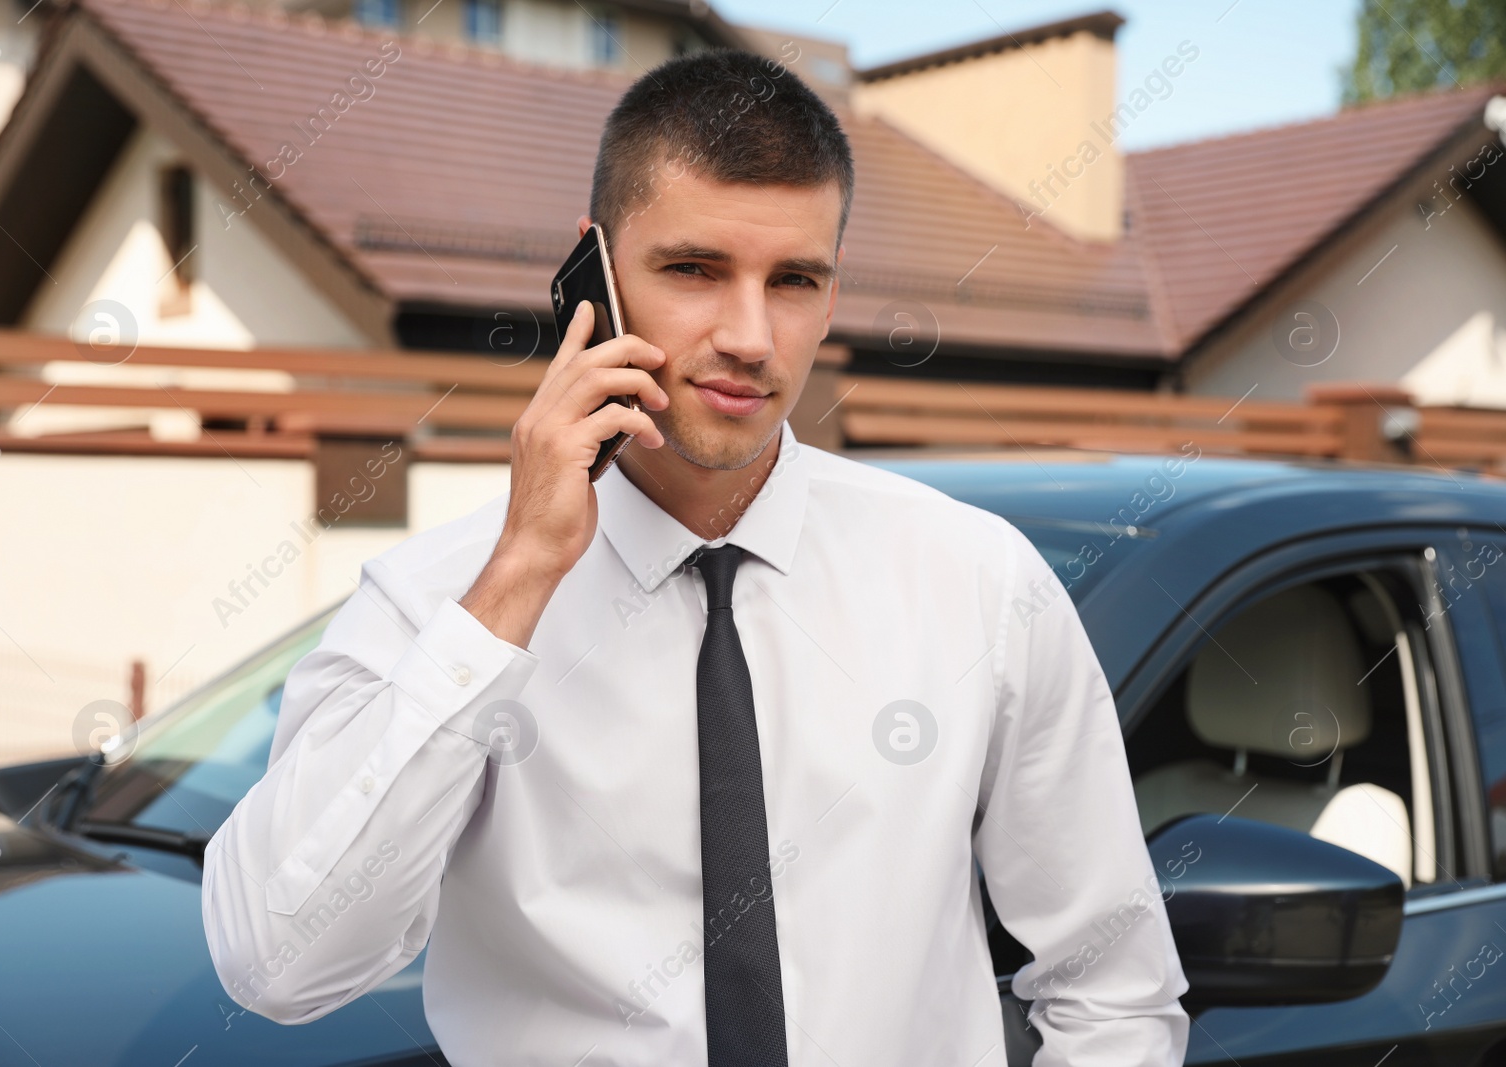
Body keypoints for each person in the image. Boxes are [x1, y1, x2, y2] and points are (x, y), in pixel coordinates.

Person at [202, 46, 1190, 1067]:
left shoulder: (982, 583)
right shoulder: (436, 604)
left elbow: (1111, 986)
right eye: (693, 269)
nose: (752, 336)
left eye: (795, 279)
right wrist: (518, 577)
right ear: (593, 274)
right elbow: (276, 964)